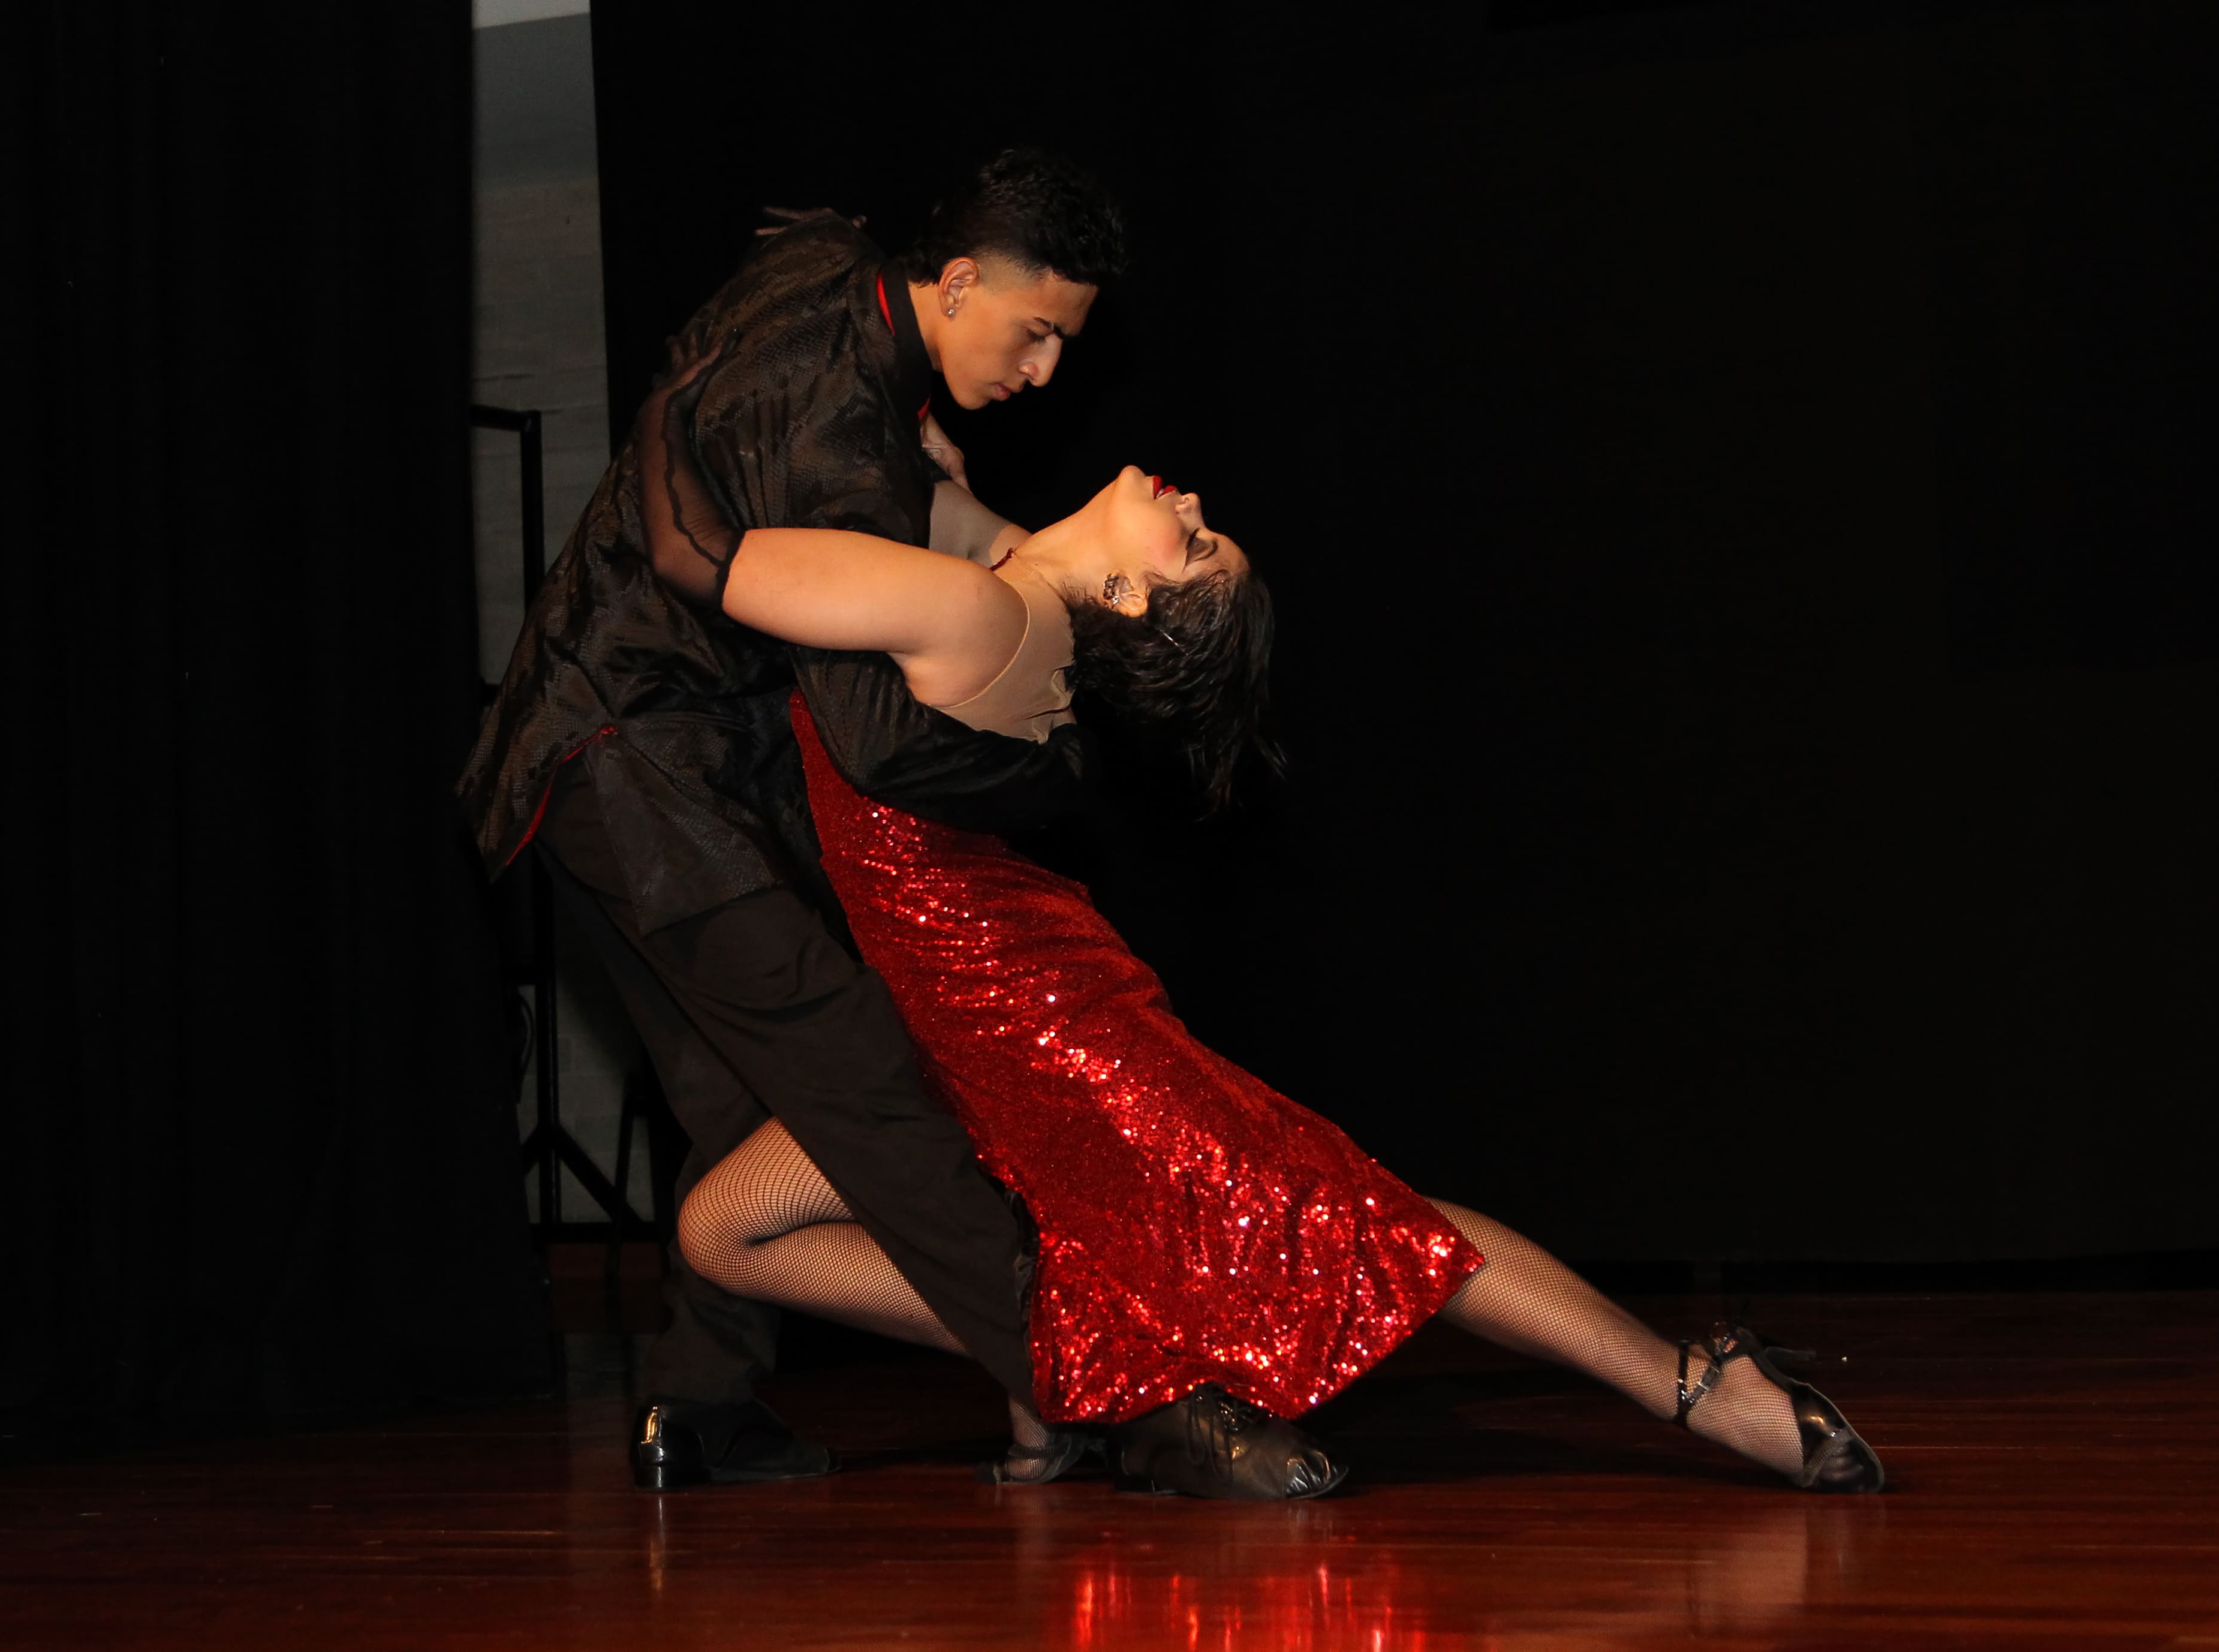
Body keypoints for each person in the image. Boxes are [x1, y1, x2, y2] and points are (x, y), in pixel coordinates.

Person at [633, 375, 1888, 1498]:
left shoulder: (969, 613)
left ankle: (1693, 1384)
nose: (1186, 500)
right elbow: (917, 499)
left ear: (1125, 596)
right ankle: (1086, 1371)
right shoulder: (1002, 583)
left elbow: (710, 555)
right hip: (939, 1023)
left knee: (1353, 1218)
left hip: (1039, 1029)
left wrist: (681, 394)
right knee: (725, 1229)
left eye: (1193, 540)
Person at [462, 150, 1324, 1498]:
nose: (1043, 371)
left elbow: (821, 332)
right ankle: (1119, 1396)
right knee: (878, 1094)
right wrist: (1041, 752)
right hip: (650, 786)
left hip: (588, 766)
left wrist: (995, 551)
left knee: (747, 1113)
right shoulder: (844, 440)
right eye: (1036, 332)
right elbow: (876, 740)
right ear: (962, 279)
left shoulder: (833, 276)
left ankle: (699, 1405)